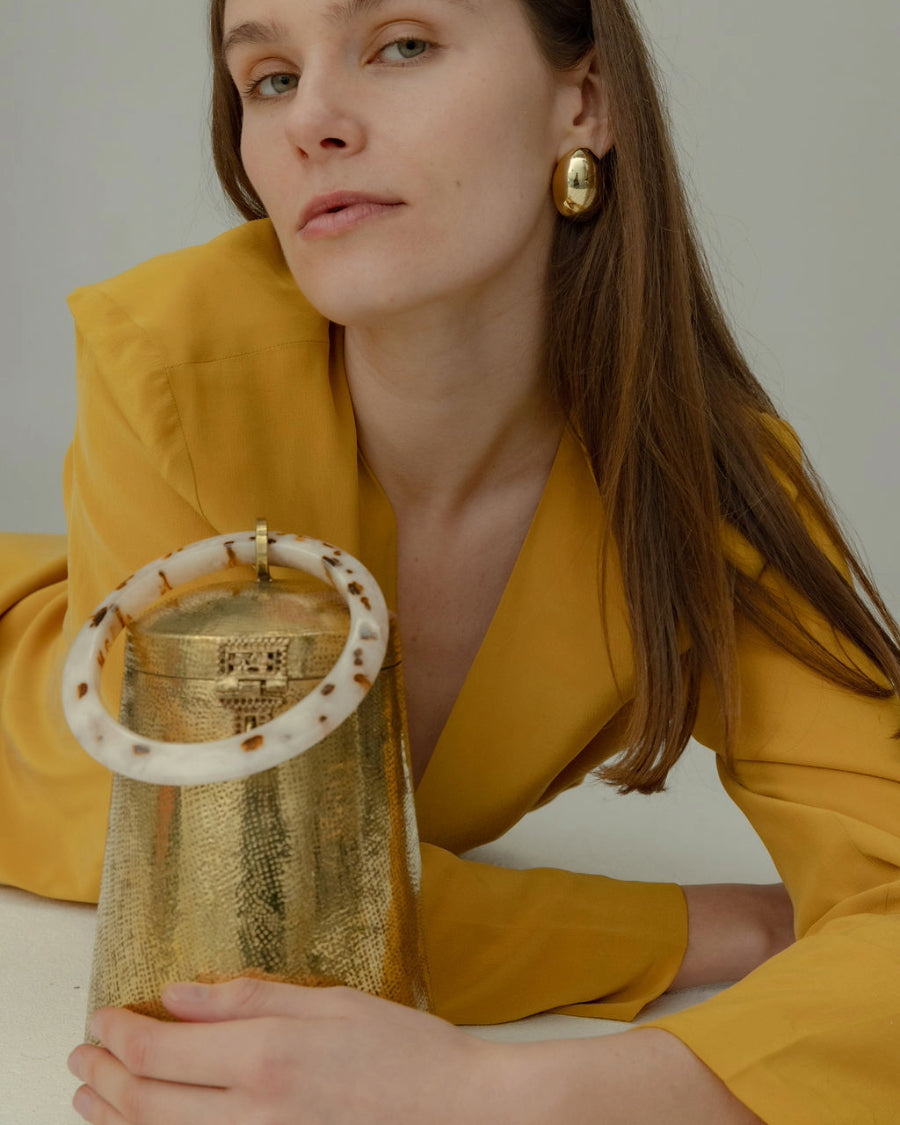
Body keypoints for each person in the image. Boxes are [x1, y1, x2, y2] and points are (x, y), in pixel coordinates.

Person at [1, 0, 897, 1120]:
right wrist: (719, 924)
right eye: (268, 78)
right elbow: (235, 926)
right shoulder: (175, 365)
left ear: (585, 101)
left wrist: (507, 1095)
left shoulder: (701, 487)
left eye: (402, 45)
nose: (309, 120)